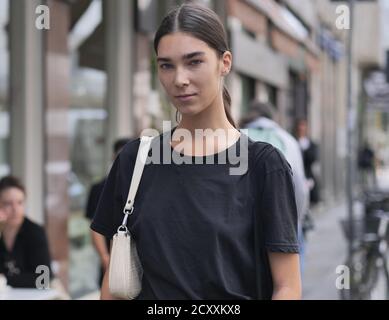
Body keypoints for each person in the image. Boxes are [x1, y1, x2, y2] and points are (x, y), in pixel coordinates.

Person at [91, 3, 301, 300]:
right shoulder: (136, 159)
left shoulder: (263, 165)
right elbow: (114, 283)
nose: (179, 79)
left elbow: (287, 286)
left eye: (194, 62)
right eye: (166, 65)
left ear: (224, 62)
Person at [240, 101, 310, 275]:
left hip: (243, 225)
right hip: (283, 221)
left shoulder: (237, 136)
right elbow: (300, 188)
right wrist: (296, 222)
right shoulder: (287, 139)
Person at [85, 138, 131, 286]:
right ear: (114, 157)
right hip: (112, 259)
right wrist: (106, 258)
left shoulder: (145, 186)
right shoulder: (100, 188)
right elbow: (95, 227)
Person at [0, 176, 52, 288]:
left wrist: (4, 280)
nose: (15, 209)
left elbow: (44, 278)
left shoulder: (35, 232)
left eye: (20, 202)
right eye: (8, 203)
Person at [295, 119, 320, 206]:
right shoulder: (294, 142)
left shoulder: (311, 144)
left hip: (308, 174)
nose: (301, 128)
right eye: (300, 126)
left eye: (303, 126)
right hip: (296, 174)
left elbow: (313, 158)